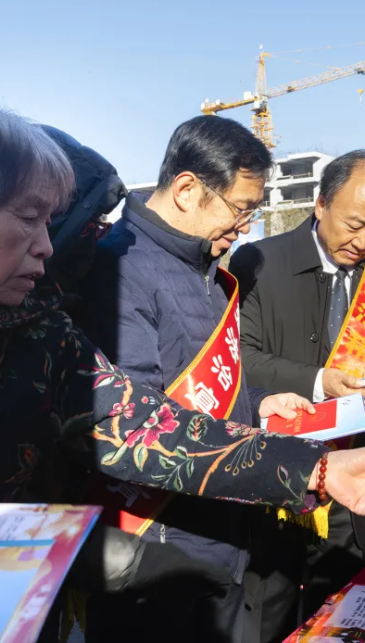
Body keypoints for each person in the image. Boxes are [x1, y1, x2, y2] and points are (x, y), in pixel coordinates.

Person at [0, 99, 365, 632]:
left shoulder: (38, 329)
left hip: (6, 606)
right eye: (28, 219)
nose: (47, 246)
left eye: (50, 222)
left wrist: (315, 467)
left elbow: (141, 424)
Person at [79, 116, 320, 641]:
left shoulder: (204, 269)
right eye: (241, 209)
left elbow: (205, 389)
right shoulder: (118, 270)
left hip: (224, 535)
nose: (246, 227)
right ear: (188, 189)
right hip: (160, 552)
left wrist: (257, 405)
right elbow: (136, 420)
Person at [230, 150, 365, 643]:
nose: (364, 242)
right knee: (268, 610)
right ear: (320, 205)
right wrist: (319, 381)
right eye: (355, 224)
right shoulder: (259, 261)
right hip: (278, 469)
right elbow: (239, 359)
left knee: (340, 607)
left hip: (353, 470)